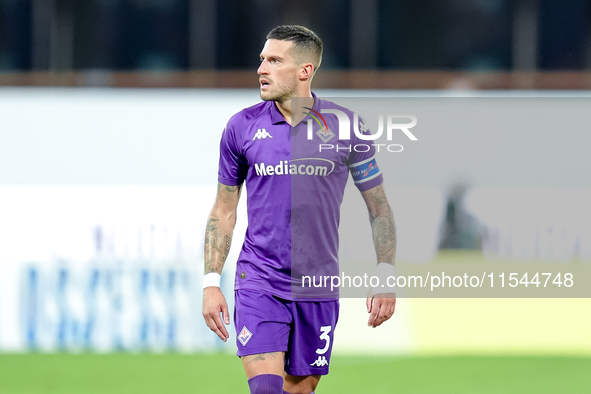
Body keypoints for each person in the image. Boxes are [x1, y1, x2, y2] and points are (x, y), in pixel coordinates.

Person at [202, 25, 397, 394]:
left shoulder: (346, 127)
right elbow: (223, 210)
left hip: (317, 287)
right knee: (265, 390)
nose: (262, 68)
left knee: (299, 390)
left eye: (275, 61)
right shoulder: (241, 127)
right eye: (262, 59)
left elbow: (380, 208)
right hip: (259, 281)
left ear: (304, 71)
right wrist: (211, 282)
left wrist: (385, 272)